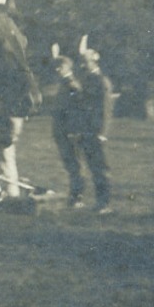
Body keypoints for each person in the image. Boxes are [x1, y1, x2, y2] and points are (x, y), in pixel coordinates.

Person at [51, 43, 113, 214]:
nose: (83, 64)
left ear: (94, 62)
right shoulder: (86, 80)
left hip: (95, 132)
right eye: (82, 61)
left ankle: (104, 203)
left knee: (99, 169)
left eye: (86, 61)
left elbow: (105, 109)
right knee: (91, 167)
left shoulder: (101, 81)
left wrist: (102, 133)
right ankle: (98, 202)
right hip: (85, 132)